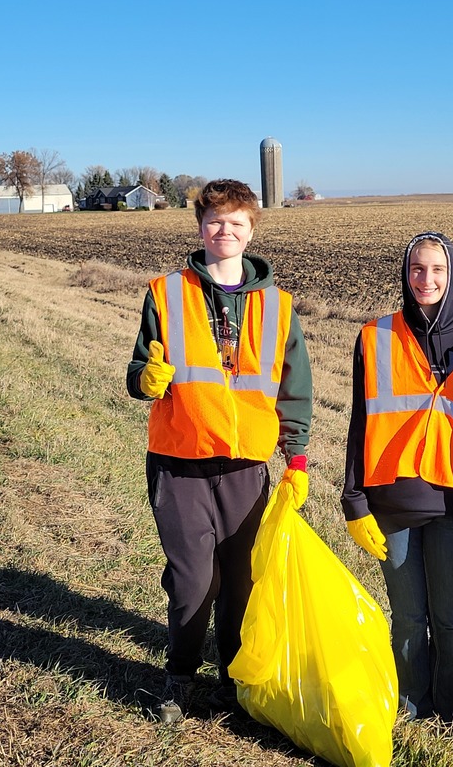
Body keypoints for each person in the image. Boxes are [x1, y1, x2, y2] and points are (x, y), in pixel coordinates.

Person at [126, 179, 313, 724]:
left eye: (236, 222)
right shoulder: (166, 292)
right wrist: (146, 379)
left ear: (251, 230)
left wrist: (296, 456)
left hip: (246, 466)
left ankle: (234, 682)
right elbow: (138, 370)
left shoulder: (279, 306)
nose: (224, 231)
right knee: (193, 580)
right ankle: (179, 678)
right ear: (200, 228)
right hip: (179, 461)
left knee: (240, 581)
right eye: (214, 221)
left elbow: (294, 388)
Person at [341, 232, 453, 731]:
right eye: (417, 268)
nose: (426, 279)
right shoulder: (375, 336)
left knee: (449, 618)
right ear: (405, 273)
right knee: (408, 617)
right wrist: (354, 501)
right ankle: (411, 707)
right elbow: (360, 422)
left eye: (437, 269)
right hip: (391, 502)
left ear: (452, 273)